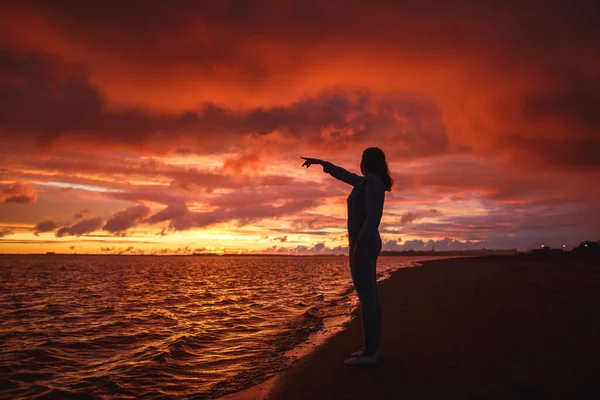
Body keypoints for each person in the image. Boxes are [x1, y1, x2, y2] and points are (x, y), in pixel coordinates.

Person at [301, 147, 393, 365]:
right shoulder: (365, 182)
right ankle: (371, 349)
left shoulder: (371, 183)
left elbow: (374, 215)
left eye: (361, 160)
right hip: (365, 242)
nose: (359, 164)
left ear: (366, 162)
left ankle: (370, 353)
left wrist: (360, 243)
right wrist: (322, 162)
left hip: (364, 243)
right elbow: (345, 175)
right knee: (371, 298)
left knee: (368, 299)